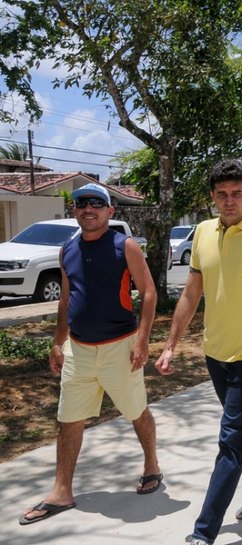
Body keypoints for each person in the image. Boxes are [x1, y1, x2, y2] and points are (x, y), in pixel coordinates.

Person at [154, 159, 242, 545]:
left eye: (236, 193)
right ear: (212, 197)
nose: (229, 201)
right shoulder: (201, 233)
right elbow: (191, 293)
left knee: (231, 439)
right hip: (215, 352)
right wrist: (170, 345)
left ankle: (204, 531)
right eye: (221, 194)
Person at [19, 183, 161, 525]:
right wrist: (58, 342)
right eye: (82, 204)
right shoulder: (67, 250)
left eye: (96, 204)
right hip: (79, 350)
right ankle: (61, 491)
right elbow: (67, 300)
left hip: (121, 348)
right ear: (75, 211)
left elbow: (150, 293)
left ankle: (152, 466)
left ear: (110, 211)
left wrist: (142, 340)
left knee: (136, 411)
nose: (88, 209)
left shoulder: (124, 246)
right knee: (68, 419)